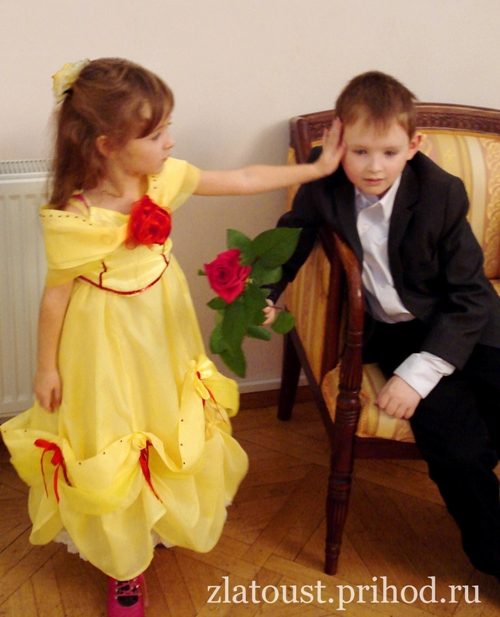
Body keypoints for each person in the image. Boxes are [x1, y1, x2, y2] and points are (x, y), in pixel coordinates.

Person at [0, 57, 345, 617]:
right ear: (109, 144)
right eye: (156, 133)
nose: (171, 141)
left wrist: (315, 169)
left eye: (167, 128)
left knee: (163, 420)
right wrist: (46, 368)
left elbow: (241, 180)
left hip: (164, 326)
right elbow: (55, 297)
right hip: (102, 340)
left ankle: (155, 519)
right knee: (115, 431)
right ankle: (124, 565)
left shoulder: (163, 179)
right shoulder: (76, 215)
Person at [268, 71, 500, 579]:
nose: (375, 167)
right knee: (459, 452)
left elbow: (468, 296)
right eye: (360, 152)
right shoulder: (322, 179)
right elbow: (289, 240)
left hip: (469, 323)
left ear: (413, 146)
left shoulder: (441, 192)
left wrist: (420, 373)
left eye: (390, 153)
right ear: (338, 141)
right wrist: (261, 294)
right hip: (399, 333)